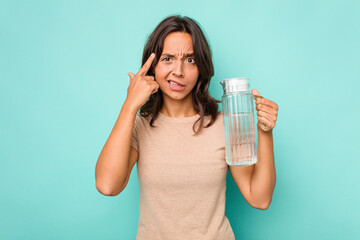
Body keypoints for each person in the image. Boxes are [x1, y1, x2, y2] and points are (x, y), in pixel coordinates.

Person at [95, 15, 279, 240]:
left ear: (201, 67)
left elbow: (259, 198)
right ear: (152, 66)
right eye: (168, 58)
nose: (179, 71)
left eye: (190, 60)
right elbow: (107, 186)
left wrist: (265, 133)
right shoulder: (137, 126)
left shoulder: (224, 125)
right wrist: (130, 105)